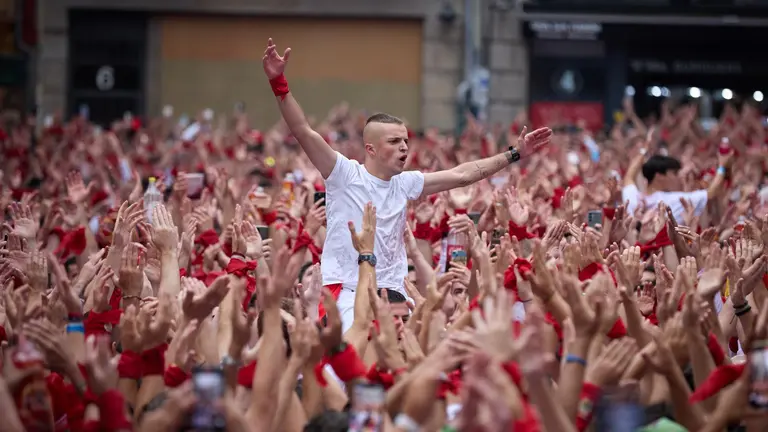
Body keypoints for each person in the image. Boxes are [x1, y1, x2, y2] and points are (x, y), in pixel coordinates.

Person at [261, 38, 552, 330]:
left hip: (394, 293)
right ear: (371, 149)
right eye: (394, 141)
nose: (404, 147)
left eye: (405, 141)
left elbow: (463, 175)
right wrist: (279, 83)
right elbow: (302, 131)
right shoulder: (343, 173)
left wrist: (514, 154)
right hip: (346, 293)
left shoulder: (407, 182)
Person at [622, 150, 733, 222]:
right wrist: (722, 166)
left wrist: (643, 149)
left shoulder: (632, 198)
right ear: (659, 176)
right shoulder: (671, 200)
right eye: (674, 173)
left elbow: (629, 175)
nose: (678, 177)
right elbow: (711, 193)